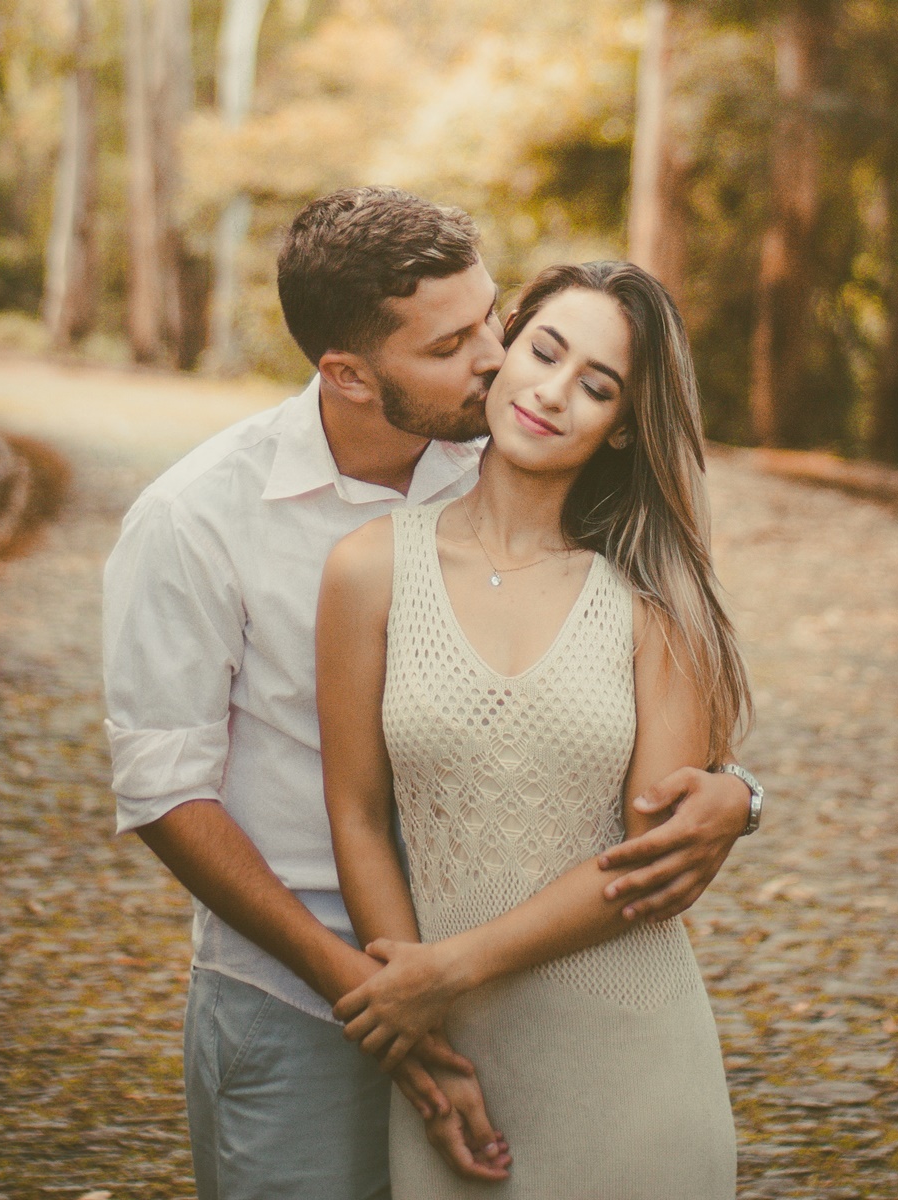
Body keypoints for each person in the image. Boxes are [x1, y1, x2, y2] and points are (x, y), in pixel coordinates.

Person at [103, 189, 760, 1200]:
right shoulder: (194, 520)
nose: (497, 359)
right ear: (349, 375)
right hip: (298, 990)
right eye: (455, 343)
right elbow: (163, 792)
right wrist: (376, 993)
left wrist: (739, 796)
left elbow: (627, 658)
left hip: (515, 986)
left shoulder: (501, 445)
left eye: (495, 318)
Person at [317, 261, 754, 1197]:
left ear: (626, 426)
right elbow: (356, 814)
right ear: (504, 351)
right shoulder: (368, 570)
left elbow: (649, 867)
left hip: (631, 1069)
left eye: (598, 386)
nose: (555, 393)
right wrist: (417, 1037)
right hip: (448, 1056)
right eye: (544, 352)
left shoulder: (652, 601)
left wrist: (445, 971)